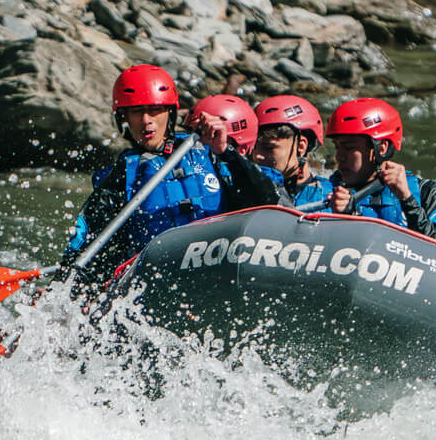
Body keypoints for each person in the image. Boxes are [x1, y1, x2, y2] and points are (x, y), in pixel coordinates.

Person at [58, 66, 284, 288]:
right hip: (158, 283)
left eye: (154, 110)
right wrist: (66, 286)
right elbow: (87, 241)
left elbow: (273, 203)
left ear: (169, 112)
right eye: (137, 112)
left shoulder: (210, 153)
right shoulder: (121, 174)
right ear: (123, 117)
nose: (146, 120)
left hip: (219, 273)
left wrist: (226, 152)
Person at [321, 97, 436, 244]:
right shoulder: (324, 192)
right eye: (337, 147)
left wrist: (408, 201)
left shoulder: (428, 193)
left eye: (349, 148)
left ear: (381, 148)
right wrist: (344, 217)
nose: (339, 157)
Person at [252, 94, 334, 207]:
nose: (257, 156)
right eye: (254, 146)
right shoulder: (241, 189)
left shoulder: (332, 196)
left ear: (301, 147)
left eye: (269, 148)